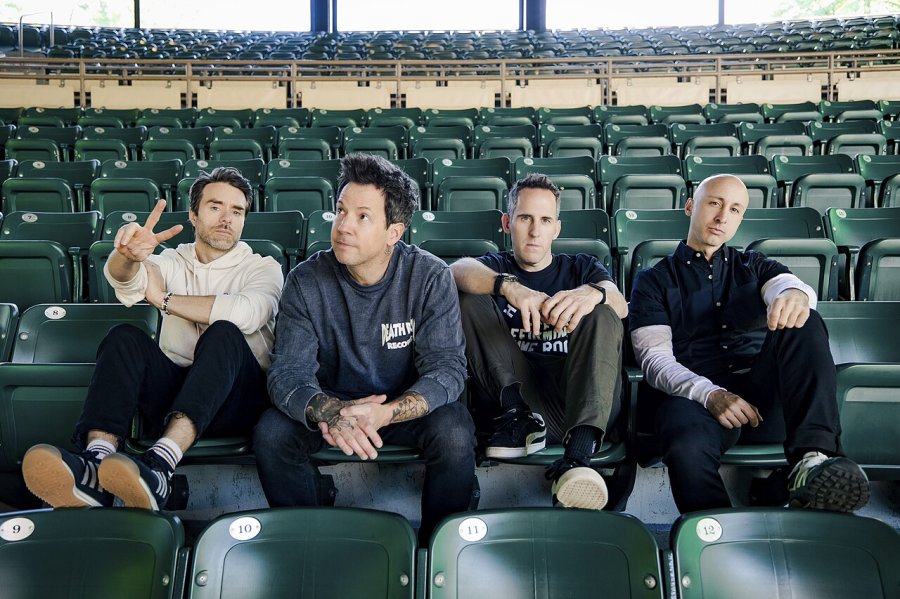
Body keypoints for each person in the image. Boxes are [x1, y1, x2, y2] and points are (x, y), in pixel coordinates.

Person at [22, 167, 284, 511]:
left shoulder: (263, 266)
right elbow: (130, 282)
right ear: (193, 215)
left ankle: (161, 465)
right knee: (124, 338)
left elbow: (245, 313)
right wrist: (126, 258)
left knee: (224, 332)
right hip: (177, 397)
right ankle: (95, 463)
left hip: (237, 401)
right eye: (215, 207)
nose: (226, 219)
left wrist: (164, 300)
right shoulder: (174, 260)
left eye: (237, 211)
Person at [255, 153, 475, 543]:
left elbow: (447, 369)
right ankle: (306, 541)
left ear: (394, 232)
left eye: (362, 217)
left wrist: (387, 413)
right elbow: (287, 373)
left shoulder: (429, 275)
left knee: (455, 431)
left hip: (400, 406)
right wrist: (331, 411)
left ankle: (440, 547)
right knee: (272, 434)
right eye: (341, 211)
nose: (343, 226)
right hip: (331, 407)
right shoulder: (305, 280)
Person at [629, 173, 870, 514]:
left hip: (763, 401)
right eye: (714, 203)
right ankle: (718, 533)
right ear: (690, 206)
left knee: (804, 318)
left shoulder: (755, 266)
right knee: (684, 440)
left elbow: (788, 287)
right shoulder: (652, 280)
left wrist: (795, 295)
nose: (722, 217)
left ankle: (812, 461)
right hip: (695, 401)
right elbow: (655, 361)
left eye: (734, 209)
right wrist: (711, 394)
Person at [450, 174, 628, 511]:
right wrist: (509, 287)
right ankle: (519, 416)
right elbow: (455, 271)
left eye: (545, 220)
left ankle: (578, 459)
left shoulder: (581, 268)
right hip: (520, 408)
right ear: (507, 223)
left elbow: (620, 305)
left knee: (602, 310)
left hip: (579, 402)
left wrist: (592, 293)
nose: (535, 231)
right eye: (525, 219)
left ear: (556, 229)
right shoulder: (496, 267)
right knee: (467, 296)